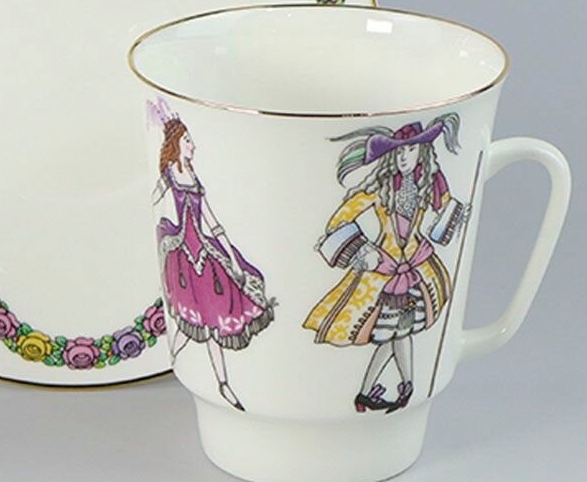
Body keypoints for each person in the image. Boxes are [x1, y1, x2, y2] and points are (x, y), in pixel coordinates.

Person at [304, 115, 466, 413]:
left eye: (410, 150)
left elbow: (446, 214)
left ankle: (377, 392)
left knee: (395, 333)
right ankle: (401, 388)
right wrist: (363, 250)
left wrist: (456, 215)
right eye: (399, 151)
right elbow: (339, 219)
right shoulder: (380, 189)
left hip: (417, 268)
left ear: (422, 152)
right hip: (387, 270)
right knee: (396, 332)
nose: (404, 157)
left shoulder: (428, 186)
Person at [149, 99, 274, 411]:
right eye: (188, 140)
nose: (193, 145)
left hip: (204, 255)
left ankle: (222, 384)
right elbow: (155, 199)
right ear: (177, 144)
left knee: (213, 322)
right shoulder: (170, 177)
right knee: (194, 322)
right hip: (183, 255)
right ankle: (184, 360)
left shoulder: (194, 179)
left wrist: (231, 256)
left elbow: (213, 222)